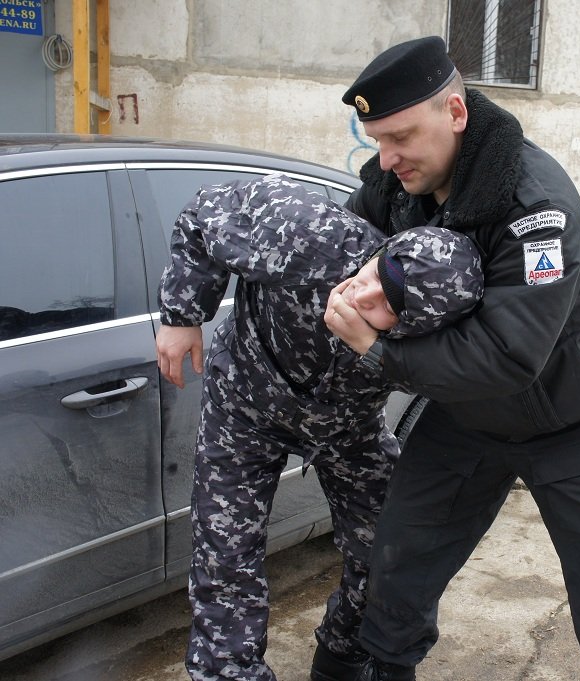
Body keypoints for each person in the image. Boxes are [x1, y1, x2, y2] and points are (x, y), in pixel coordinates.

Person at [321, 36, 580, 681]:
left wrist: (378, 350)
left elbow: (509, 358)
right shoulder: (401, 182)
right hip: (466, 421)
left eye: (400, 136)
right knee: (395, 572)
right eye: (375, 139)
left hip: (575, 424)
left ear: (456, 113)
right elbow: (338, 240)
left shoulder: (534, 207)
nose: (386, 157)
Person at [155, 172, 484, 681]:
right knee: (226, 560)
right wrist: (183, 313)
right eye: (380, 271)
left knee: (392, 552)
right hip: (245, 406)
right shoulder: (310, 233)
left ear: (417, 330)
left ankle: (342, 654)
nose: (362, 293)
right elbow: (206, 212)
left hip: (347, 427)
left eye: (387, 305)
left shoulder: (431, 349)